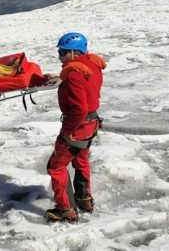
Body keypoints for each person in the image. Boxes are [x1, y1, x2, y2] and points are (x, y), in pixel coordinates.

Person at [46, 32, 106, 222]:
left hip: (78, 126)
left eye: (63, 52)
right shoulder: (92, 64)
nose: (60, 56)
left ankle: (65, 209)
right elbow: (85, 84)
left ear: (73, 52)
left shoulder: (73, 74)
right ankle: (84, 199)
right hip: (92, 123)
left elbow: (79, 109)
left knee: (56, 166)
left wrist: (68, 132)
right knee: (81, 161)